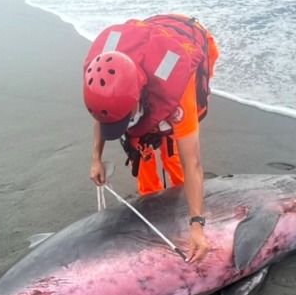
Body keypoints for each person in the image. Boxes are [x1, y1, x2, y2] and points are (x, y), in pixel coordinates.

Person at [82, 14, 219, 263]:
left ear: (137, 98)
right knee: (141, 147)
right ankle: (153, 207)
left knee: (172, 153)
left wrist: (197, 225)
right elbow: (103, 113)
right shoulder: (101, 77)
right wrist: (96, 159)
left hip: (187, 44)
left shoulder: (178, 95)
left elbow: (194, 164)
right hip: (146, 41)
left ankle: (181, 211)